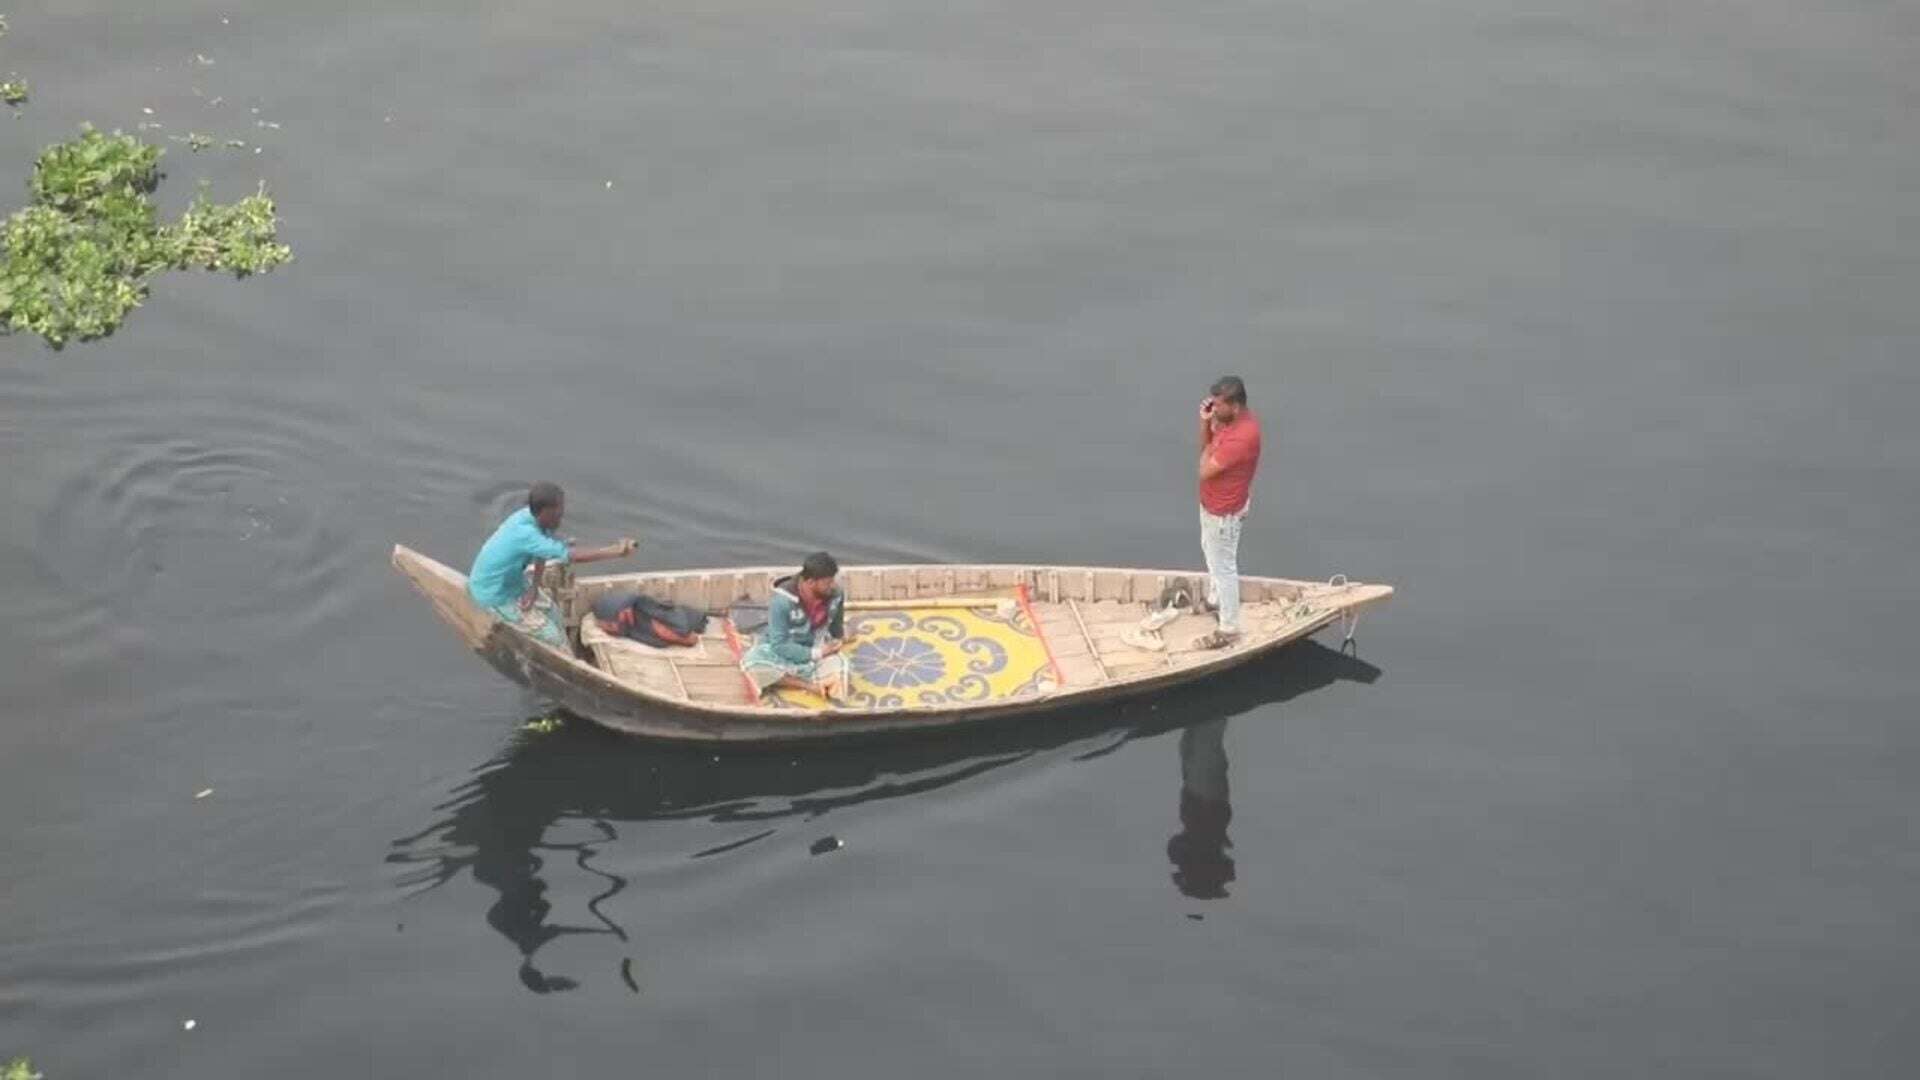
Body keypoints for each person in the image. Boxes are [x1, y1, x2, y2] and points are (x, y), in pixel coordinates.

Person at [467, 481, 636, 649]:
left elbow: (541, 552)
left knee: (554, 612)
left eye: (561, 509)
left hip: (513, 582)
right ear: (543, 512)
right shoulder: (526, 534)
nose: (561, 515)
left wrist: (534, 589)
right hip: (494, 594)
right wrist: (615, 551)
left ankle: (566, 648)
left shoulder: (535, 519)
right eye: (557, 513)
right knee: (554, 638)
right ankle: (562, 653)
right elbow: (572, 556)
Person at [1194, 375, 1262, 649]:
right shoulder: (1229, 421)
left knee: (1224, 569)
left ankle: (1229, 628)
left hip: (1223, 513)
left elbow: (1204, 469)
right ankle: (1216, 600)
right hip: (1214, 506)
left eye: (1218, 405)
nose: (1214, 409)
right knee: (1212, 554)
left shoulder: (1241, 438)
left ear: (1235, 406)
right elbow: (1206, 451)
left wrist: (1210, 444)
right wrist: (1206, 423)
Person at [740, 552, 851, 701]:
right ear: (811, 582)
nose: (832, 586)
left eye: (832, 581)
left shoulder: (836, 594)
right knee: (751, 663)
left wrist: (838, 639)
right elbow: (779, 645)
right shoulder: (781, 602)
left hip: (817, 650)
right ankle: (807, 685)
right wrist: (817, 653)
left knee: (842, 670)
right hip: (784, 652)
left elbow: (836, 627)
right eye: (827, 583)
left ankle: (786, 680)